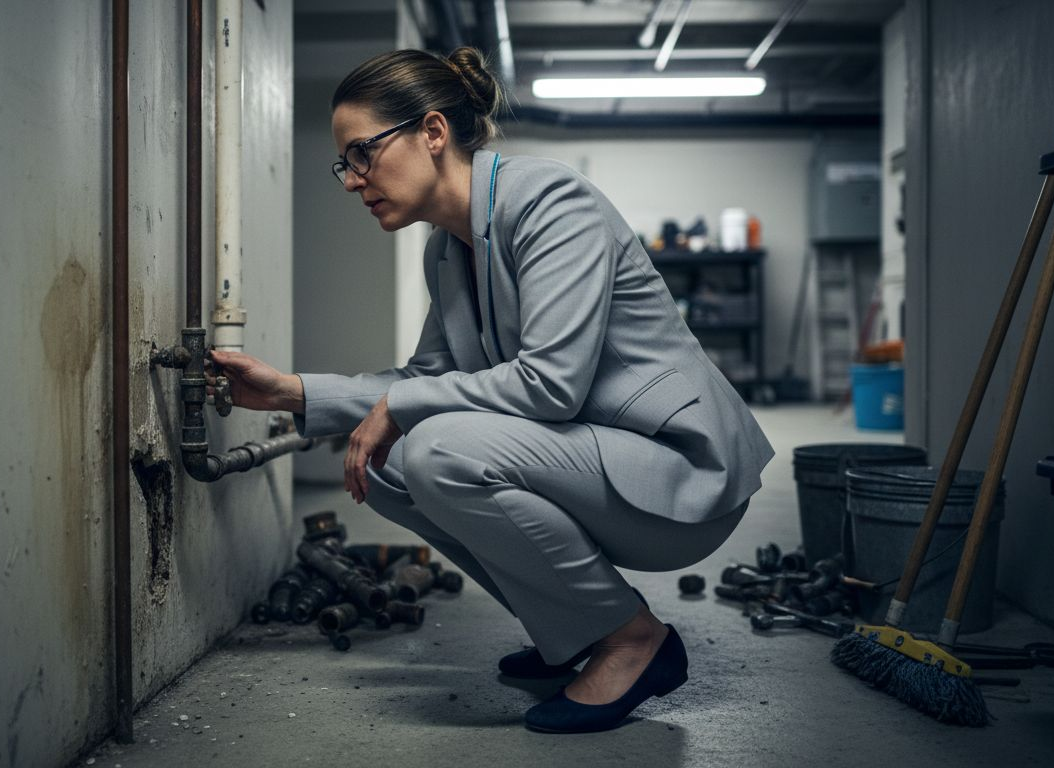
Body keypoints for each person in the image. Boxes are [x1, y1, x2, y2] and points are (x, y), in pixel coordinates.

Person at [206, 47, 774, 733]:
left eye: (362, 153)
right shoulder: (448, 248)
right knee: (385, 463)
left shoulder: (551, 203)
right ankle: (579, 629)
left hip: (681, 475)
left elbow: (552, 385)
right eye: (344, 163)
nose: (353, 180)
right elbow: (425, 379)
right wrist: (288, 392)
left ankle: (632, 641)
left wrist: (403, 406)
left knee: (438, 450)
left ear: (433, 132)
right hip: (598, 460)